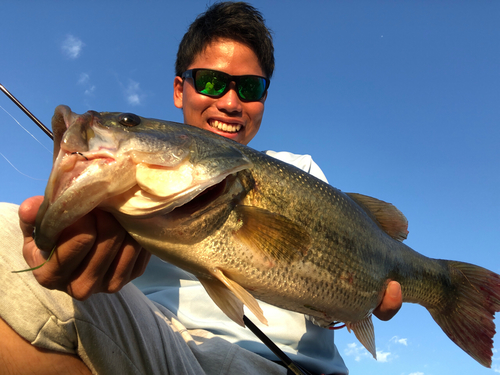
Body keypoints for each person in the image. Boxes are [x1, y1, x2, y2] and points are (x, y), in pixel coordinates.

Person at [0, 2, 402, 374]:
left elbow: (338, 277)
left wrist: (353, 297)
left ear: (264, 98)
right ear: (180, 90)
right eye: (211, 82)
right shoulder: (120, 200)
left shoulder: (301, 169)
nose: (230, 102)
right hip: (167, 352)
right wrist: (61, 248)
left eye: (249, 88)